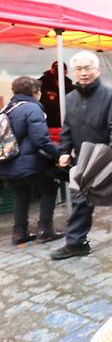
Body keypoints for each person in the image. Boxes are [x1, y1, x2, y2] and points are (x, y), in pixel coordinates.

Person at [50, 51, 112, 260]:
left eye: (88, 68)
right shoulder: (70, 98)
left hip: (107, 156)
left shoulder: (110, 96)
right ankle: (77, 243)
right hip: (83, 158)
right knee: (87, 199)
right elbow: (67, 128)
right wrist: (63, 151)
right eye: (79, 69)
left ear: (97, 70)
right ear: (73, 72)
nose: (83, 73)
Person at [0, 76, 65, 245]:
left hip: (7, 164)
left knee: (21, 194)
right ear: (36, 92)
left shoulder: (6, 109)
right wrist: (59, 155)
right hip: (29, 164)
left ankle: (19, 232)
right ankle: (45, 230)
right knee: (49, 188)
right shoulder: (32, 109)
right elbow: (41, 140)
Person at [38, 61, 75, 128]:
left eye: (61, 70)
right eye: (56, 69)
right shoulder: (42, 82)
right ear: (51, 70)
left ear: (66, 72)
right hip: (47, 118)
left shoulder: (70, 86)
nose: (59, 72)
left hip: (64, 118)